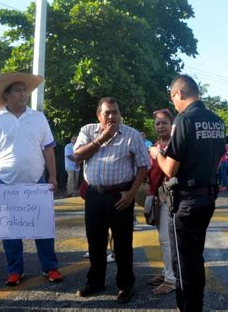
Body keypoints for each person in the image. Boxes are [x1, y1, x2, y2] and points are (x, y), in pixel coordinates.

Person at [0, 72, 62, 286]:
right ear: (7, 94)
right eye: (18, 90)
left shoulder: (38, 117)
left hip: (36, 181)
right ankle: (14, 270)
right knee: (10, 230)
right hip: (4, 183)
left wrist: (53, 176)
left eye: (25, 90)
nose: (23, 93)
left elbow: (48, 149)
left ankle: (50, 267)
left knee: (42, 227)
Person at [148, 75, 225, 311]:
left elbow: (170, 168)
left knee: (183, 263)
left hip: (187, 200)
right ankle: (195, 305)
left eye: (173, 99)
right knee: (195, 258)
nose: (174, 105)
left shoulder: (184, 120)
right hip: (208, 197)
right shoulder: (217, 120)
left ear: (178, 93)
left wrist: (156, 153)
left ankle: (189, 308)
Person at [73, 97, 149, 303]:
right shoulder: (88, 131)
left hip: (120, 195)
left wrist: (132, 193)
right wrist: (103, 137)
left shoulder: (131, 134)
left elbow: (143, 165)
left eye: (115, 112)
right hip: (94, 194)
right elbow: (77, 156)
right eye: (107, 112)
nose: (112, 116)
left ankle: (125, 284)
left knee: (123, 242)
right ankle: (95, 282)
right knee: (95, 240)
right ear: (99, 115)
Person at [145, 109, 176, 295]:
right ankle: (166, 272)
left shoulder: (174, 145)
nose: (160, 126)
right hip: (157, 196)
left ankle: (171, 279)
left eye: (164, 122)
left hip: (170, 197)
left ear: (171, 124)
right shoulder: (157, 145)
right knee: (163, 238)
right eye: (157, 123)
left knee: (167, 239)